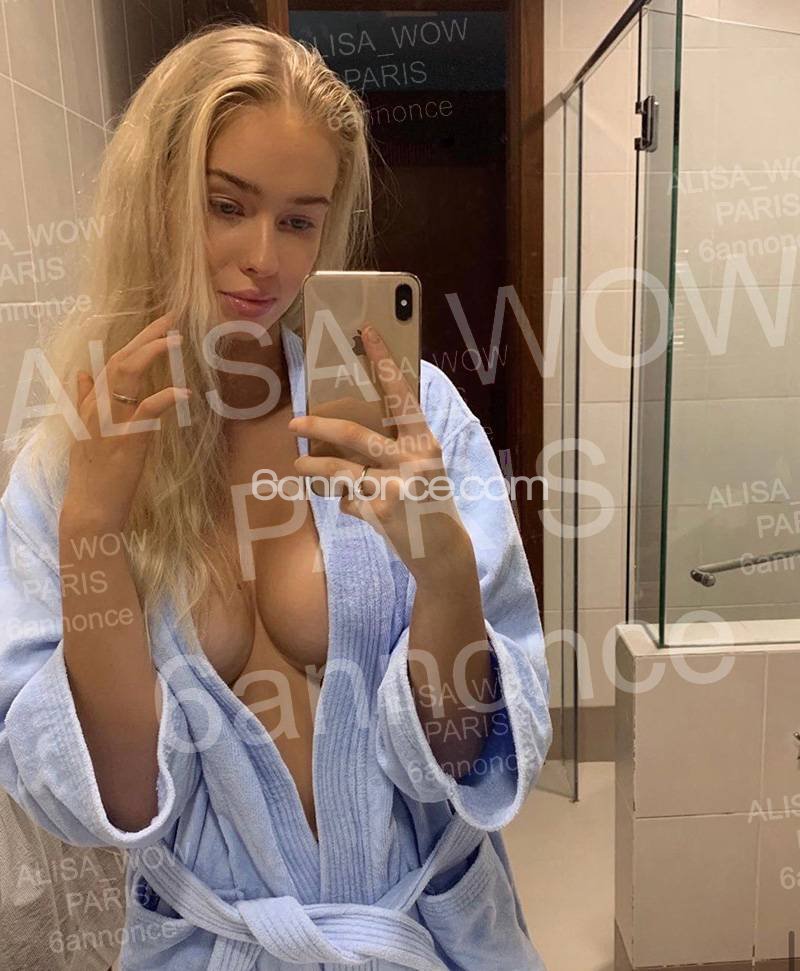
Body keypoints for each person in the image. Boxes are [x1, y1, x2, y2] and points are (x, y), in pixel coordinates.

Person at [0, 22, 553, 971]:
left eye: (300, 221)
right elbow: (119, 800)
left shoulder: (410, 419)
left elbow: (466, 753)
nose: (266, 257)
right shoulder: (72, 465)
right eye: (227, 205)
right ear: (156, 199)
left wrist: (443, 566)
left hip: (421, 932)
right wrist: (92, 527)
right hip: (215, 946)